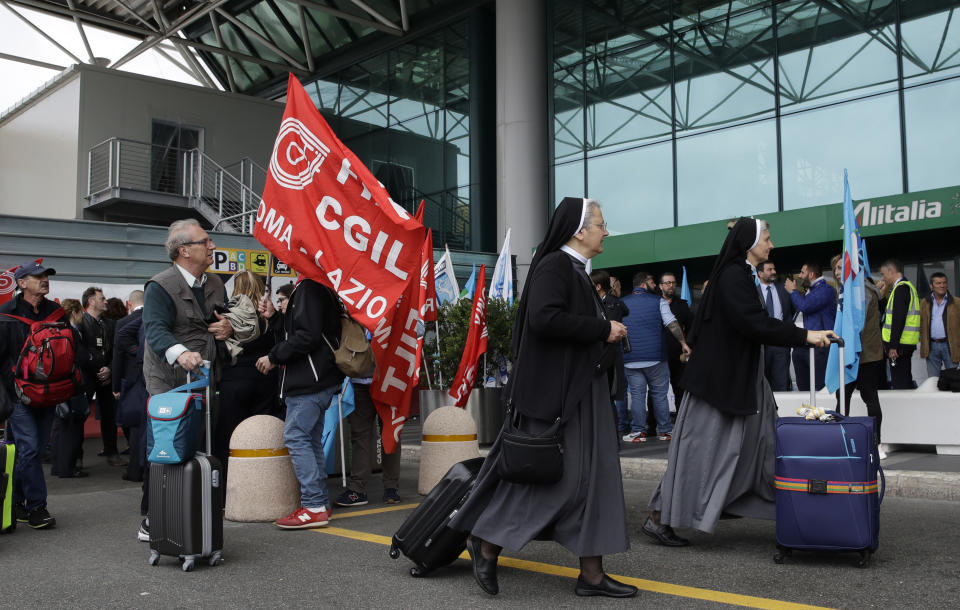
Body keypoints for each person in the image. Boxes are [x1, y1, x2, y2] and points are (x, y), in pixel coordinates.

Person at [450, 197, 637, 599]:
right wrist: (602, 329)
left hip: (582, 393)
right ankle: (486, 543)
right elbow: (544, 319)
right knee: (563, 481)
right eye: (602, 224)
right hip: (560, 400)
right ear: (579, 230)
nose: (607, 231)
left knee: (595, 481)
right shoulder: (556, 265)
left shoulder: (575, 270)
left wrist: (602, 329)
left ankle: (591, 575)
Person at [645, 218, 834, 545]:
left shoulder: (737, 275)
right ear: (749, 242)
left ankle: (775, 508)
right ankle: (660, 516)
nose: (772, 245)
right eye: (768, 238)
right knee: (703, 452)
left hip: (739, 381)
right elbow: (754, 324)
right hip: (721, 384)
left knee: (756, 447)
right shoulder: (734, 276)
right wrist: (805, 335)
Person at [141, 219, 232, 542]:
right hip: (169, 382)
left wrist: (227, 330)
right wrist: (180, 353)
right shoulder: (160, 285)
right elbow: (155, 330)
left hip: (205, 378)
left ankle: (196, 512)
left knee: (202, 445)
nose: (213, 247)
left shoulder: (215, 284)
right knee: (168, 447)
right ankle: (154, 517)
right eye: (205, 242)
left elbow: (220, 321)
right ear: (184, 251)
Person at [256, 275, 344, 530]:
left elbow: (306, 336)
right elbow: (299, 331)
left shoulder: (308, 287)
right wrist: (274, 317)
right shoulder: (314, 286)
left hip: (309, 381)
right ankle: (319, 503)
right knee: (309, 439)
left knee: (296, 436)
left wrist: (273, 356)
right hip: (317, 379)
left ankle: (314, 505)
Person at [0, 259, 79, 528]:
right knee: (30, 449)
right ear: (21, 284)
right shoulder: (6, 313)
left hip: (50, 392)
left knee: (28, 451)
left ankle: (16, 503)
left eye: (46, 276)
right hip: (19, 394)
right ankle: (37, 508)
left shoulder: (56, 312)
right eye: (37, 277)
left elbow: (69, 350)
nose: (44, 279)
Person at [216, 270, 280, 475]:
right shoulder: (270, 317)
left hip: (234, 380)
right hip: (265, 379)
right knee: (263, 433)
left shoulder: (230, 316)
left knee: (230, 435)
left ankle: (232, 482)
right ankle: (263, 477)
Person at [620, 271, 690, 443]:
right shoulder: (658, 301)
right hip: (656, 357)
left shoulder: (622, 303)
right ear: (644, 284)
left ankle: (638, 432)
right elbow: (671, 323)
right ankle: (666, 431)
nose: (654, 286)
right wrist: (683, 343)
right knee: (659, 395)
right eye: (652, 283)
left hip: (630, 358)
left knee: (637, 395)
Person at [829, 256, 886, 459]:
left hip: (866, 355)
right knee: (842, 398)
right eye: (835, 269)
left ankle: (876, 444)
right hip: (849, 353)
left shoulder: (861, 290)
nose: (837, 272)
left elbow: (857, 323)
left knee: (869, 397)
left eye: (840, 268)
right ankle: (839, 440)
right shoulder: (846, 290)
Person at [333, 376, 402, 507]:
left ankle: (359, 489)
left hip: (371, 379)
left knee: (370, 435)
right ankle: (390, 488)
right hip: (386, 378)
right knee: (389, 433)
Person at [80, 286, 126, 467]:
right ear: (91, 301)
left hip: (107, 377)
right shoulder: (81, 323)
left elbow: (116, 350)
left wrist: (109, 369)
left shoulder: (111, 324)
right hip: (87, 377)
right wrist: (95, 370)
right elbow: (80, 351)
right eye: (102, 298)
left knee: (109, 416)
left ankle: (111, 451)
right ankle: (76, 458)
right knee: (79, 416)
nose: (106, 301)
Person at [49, 299, 92, 479]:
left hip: (57, 384)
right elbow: (82, 357)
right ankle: (68, 467)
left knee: (60, 425)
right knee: (72, 428)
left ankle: (58, 466)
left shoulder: (54, 330)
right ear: (74, 312)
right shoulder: (72, 332)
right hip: (72, 385)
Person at [112, 290, 148, 483]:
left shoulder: (123, 323)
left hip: (132, 380)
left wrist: (116, 384)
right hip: (152, 378)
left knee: (135, 427)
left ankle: (135, 469)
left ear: (129, 303)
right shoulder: (153, 316)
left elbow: (117, 356)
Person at [590, 269, 630, 436]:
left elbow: (607, 331)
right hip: (601, 358)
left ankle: (612, 437)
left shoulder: (611, 304)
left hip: (608, 360)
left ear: (598, 286)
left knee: (608, 398)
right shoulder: (601, 302)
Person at [785, 261, 836, 391]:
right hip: (801, 346)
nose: (800, 276)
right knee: (803, 389)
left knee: (819, 388)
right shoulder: (809, 291)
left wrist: (792, 291)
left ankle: (821, 412)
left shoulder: (826, 290)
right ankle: (807, 412)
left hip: (818, 347)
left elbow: (805, 306)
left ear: (811, 274)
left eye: (802, 272)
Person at [879, 259, 920, 389]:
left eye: (884, 274)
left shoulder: (901, 288)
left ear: (891, 271)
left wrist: (893, 346)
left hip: (899, 347)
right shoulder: (904, 287)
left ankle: (905, 409)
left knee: (900, 383)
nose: (883, 278)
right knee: (903, 380)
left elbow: (898, 319)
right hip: (903, 344)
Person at [756, 260, 796, 391]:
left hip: (781, 343)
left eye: (774, 269)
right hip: (761, 346)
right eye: (769, 269)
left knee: (781, 383)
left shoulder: (783, 289)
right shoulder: (752, 292)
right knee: (763, 384)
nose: (773, 272)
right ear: (760, 274)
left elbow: (793, 311)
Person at [657, 271, 693, 408]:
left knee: (680, 390)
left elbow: (691, 328)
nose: (671, 286)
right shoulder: (654, 303)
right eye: (667, 283)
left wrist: (688, 347)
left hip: (678, 355)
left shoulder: (682, 305)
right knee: (657, 392)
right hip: (658, 354)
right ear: (660, 286)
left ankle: (680, 423)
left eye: (673, 283)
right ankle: (653, 426)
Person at [919, 272, 960, 378]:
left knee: (954, 378)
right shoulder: (924, 303)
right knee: (933, 380)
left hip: (950, 345)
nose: (942, 285)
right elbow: (920, 323)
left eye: (944, 282)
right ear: (931, 286)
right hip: (931, 346)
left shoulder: (957, 303)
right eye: (938, 283)